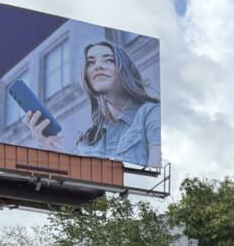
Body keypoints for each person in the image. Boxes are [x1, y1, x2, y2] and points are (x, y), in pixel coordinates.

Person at [23, 41, 160, 167]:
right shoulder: (88, 139)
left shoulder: (151, 113)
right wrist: (48, 145)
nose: (98, 66)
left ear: (123, 68)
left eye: (109, 60)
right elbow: (78, 178)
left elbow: (154, 179)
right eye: (91, 62)